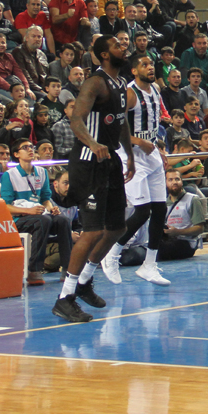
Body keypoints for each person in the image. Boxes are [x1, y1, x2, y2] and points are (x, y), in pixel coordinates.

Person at [52, 35, 135, 323]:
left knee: (115, 228)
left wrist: (130, 156)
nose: (123, 47)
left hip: (109, 159)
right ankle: (65, 298)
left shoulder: (122, 85)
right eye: (116, 46)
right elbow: (76, 119)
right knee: (91, 231)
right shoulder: (94, 82)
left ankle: (85, 280)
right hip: (88, 162)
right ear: (103, 55)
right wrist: (91, 143)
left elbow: (122, 123)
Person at [99, 54, 172, 287]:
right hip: (130, 156)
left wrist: (159, 148)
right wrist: (139, 143)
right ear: (133, 70)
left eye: (151, 64)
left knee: (160, 209)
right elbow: (112, 128)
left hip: (151, 154)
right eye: (144, 65)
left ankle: (149, 265)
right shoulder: (129, 94)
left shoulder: (157, 90)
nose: (150, 68)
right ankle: (112, 253)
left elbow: (153, 125)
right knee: (142, 211)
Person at [0, 138, 73, 286]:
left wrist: (52, 208)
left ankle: (67, 268)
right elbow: (5, 207)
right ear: (16, 154)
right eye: (25, 147)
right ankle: (34, 270)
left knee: (63, 220)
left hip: (40, 215)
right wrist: (28, 211)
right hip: (19, 219)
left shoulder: (42, 172)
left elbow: (45, 199)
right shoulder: (10, 175)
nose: (30, 149)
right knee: (43, 220)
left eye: (31, 146)